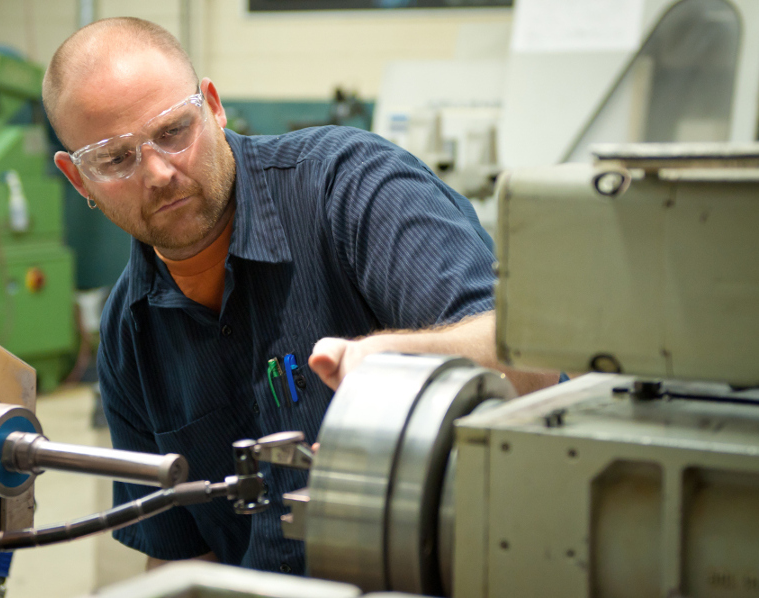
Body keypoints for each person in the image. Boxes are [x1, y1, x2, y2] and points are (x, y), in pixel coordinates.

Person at [43, 17, 558, 575]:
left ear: (213, 106)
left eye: (173, 131)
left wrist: (398, 362)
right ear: (78, 179)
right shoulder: (129, 335)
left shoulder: (350, 187)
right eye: (116, 160)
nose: (160, 172)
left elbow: (531, 363)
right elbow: (183, 557)